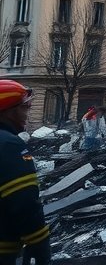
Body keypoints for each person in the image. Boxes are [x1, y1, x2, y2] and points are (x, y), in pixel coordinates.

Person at [0, 80, 50, 265]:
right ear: (9, 111)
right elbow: (24, 201)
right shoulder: (9, 145)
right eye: (25, 108)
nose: (27, 114)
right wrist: (39, 244)